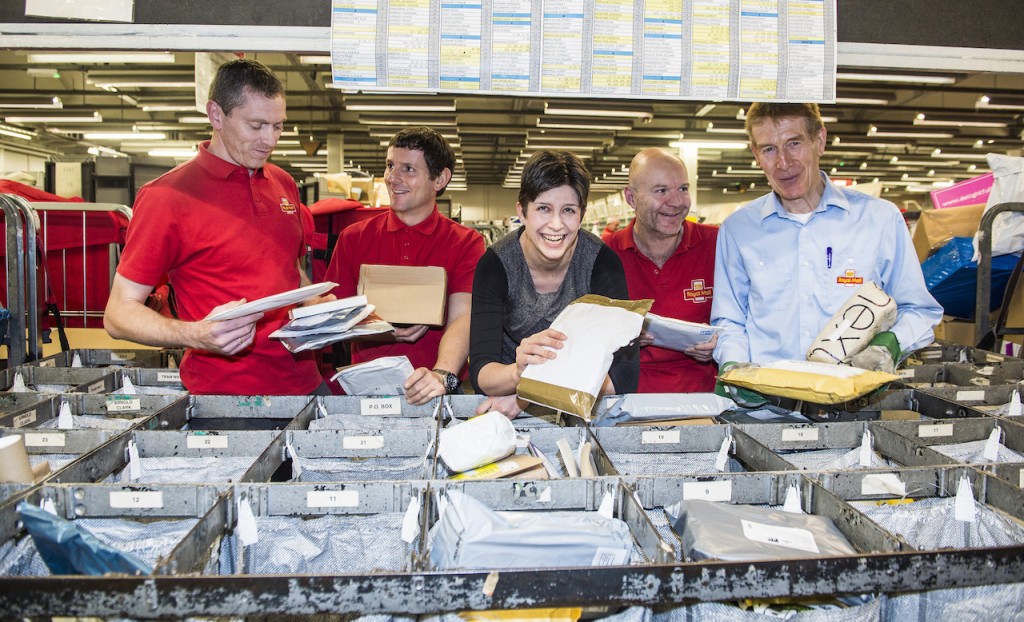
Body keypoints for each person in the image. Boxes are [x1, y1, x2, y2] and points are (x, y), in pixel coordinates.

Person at [104, 58, 325, 396]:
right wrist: (196, 334)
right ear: (216, 114)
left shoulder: (283, 183)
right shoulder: (166, 197)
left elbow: (290, 268)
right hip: (226, 397)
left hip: (304, 383)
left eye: (278, 126)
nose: (270, 140)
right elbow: (118, 314)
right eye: (256, 125)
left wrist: (317, 305)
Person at [711, 103, 942, 400]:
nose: (783, 162)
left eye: (794, 144)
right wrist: (734, 368)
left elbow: (919, 310)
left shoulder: (879, 220)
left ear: (819, 141)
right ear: (755, 154)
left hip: (855, 407)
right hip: (766, 409)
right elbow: (730, 320)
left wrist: (889, 344)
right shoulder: (738, 229)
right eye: (769, 149)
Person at [470, 150, 639, 419]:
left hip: (565, 409)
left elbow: (624, 377)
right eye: (543, 209)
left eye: (568, 210)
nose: (556, 225)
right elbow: (482, 372)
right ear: (522, 212)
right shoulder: (495, 265)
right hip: (504, 408)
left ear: (581, 215)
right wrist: (517, 372)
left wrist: (527, 394)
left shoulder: (601, 263)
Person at [324, 127, 485, 405]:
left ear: (440, 179)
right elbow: (335, 313)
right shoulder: (354, 238)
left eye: (408, 169)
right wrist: (376, 329)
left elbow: (464, 316)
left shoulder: (465, 242)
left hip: (437, 390)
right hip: (366, 392)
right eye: (390, 165)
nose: (392, 178)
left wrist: (441, 374)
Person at [607, 148, 718, 393]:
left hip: (705, 399)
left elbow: (748, 320)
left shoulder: (718, 244)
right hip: (625, 398)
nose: (677, 202)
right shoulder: (605, 254)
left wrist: (723, 345)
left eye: (683, 188)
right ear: (631, 198)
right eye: (661, 190)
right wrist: (619, 339)